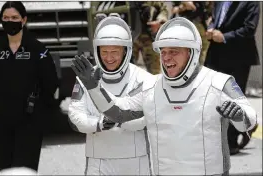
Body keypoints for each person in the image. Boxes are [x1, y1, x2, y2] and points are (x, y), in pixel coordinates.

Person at [71, 17, 257, 175]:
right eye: (164, 52)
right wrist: (93, 87)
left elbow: (249, 121)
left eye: (174, 52)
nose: (166, 58)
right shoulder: (151, 86)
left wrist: (239, 116)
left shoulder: (220, 83)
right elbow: (118, 112)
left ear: (191, 53)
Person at [69, 16, 152, 175]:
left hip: (136, 160)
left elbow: (146, 118)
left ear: (126, 51)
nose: (109, 58)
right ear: (97, 50)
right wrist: (98, 123)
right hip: (99, 160)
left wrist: (117, 120)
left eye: (115, 52)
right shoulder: (84, 78)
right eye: (104, 52)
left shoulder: (143, 78)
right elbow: (75, 115)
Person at [0, 1, 59, 172]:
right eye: (5, 18)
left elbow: (51, 83)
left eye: (14, 17)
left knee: (24, 170)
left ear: (24, 20)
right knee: (5, 167)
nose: (9, 21)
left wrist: (40, 109)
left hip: (29, 122)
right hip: (1, 121)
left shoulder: (38, 50)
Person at [204, 1, 260, 155]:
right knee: (212, 95)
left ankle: (231, 142)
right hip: (216, 54)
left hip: (238, 56)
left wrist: (224, 37)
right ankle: (246, 125)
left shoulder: (251, 3)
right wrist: (210, 28)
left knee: (233, 98)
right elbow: (215, 19)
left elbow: (249, 29)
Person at [132, 2, 168, 74]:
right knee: (126, 70)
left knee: (154, 73)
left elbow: (163, 10)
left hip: (149, 38)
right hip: (130, 39)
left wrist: (159, 22)